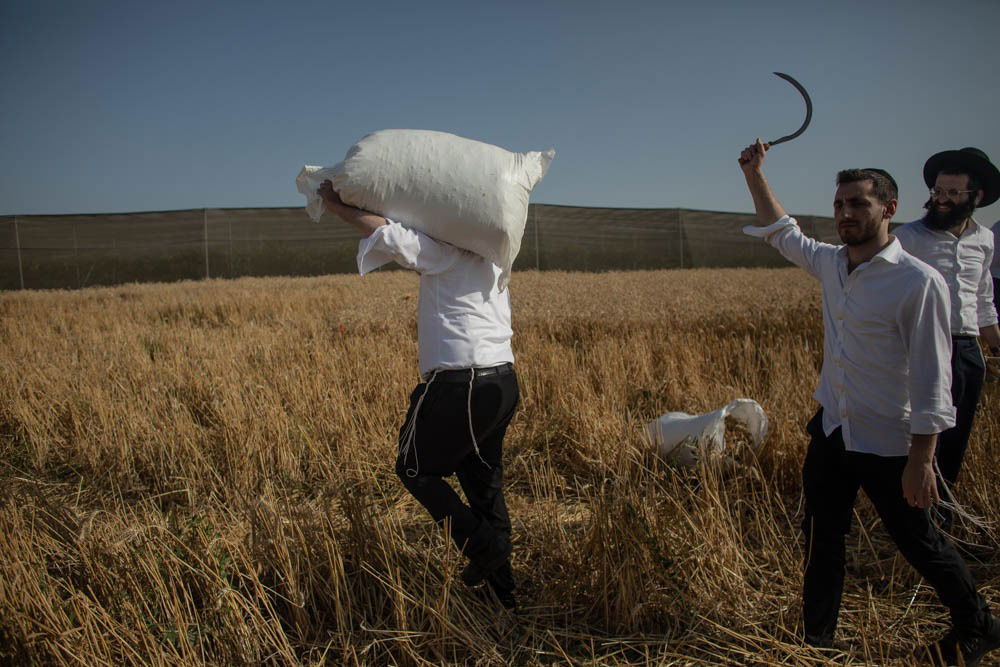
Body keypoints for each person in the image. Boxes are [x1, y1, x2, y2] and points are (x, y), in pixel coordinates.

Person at [737, 139, 1000, 664]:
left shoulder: (916, 282)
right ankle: (818, 640)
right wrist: (753, 173)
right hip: (833, 429)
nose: (845, 214)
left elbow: (933, 376)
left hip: (888, 440)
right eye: (839, 204)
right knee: (821, 539)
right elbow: (782, 232)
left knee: (920, 542)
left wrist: (922, 460)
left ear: (890, 209)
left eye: (858, 203)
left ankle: (980, 625)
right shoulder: (832, 265)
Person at [316, 180, 520, 609]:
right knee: (483, 485)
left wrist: (335, 204)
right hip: (502, 383)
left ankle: (485, 548)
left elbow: (389, 235)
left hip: (460, 385)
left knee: (413, 469)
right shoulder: (496, 257)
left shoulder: (447, 251)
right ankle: (504, 596)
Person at [893, 148, 1000, 523]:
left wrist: (995, 344)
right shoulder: (907, 238)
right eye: (939, 190)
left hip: (968, 351)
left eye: (953, 193)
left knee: (955, 440)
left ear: (977, 197)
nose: (941, 199)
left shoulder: (985, 240)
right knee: (917, 438)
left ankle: (940, 517)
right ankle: (906, 515)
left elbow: (983, 299)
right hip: (922, 349)